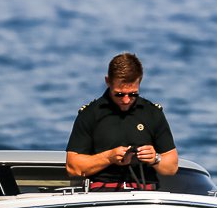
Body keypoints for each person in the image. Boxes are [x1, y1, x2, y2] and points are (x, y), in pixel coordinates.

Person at [66, 52, 178, 190]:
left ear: (140, 82)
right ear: (108, 82)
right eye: (119, 94)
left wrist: (155, 158)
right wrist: (109, 158)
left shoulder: (153, 113)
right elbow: (72, 167)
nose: (126, 100)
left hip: (145, 196)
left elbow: (172, 166)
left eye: (132, 94)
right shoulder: (90, 114)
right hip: (103, 194)